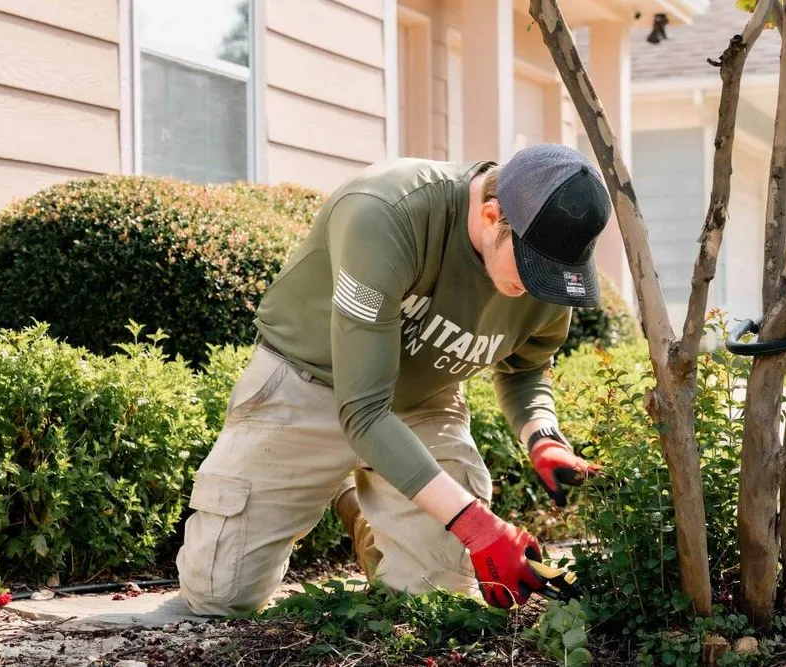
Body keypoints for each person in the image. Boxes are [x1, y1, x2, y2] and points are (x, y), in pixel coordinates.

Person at [175, 143, 610, 616]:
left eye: (555, 275)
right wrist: (478, 527)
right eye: (532, 269)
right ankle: (342, 487)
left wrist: (543, 437)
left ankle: (373, 518)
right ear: (491, 217)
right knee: (220, 596)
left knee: (436, 596)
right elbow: (364, 410)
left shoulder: (547, 274)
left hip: (422, 399)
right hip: (311, 381)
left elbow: (525, 367)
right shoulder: (385, 214)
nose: (538, 288)